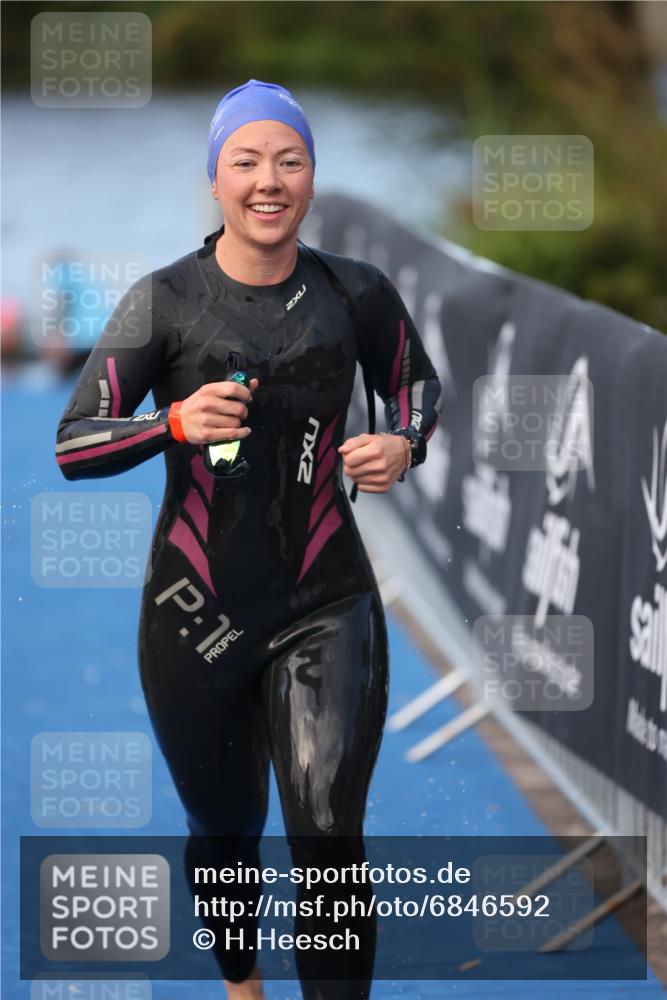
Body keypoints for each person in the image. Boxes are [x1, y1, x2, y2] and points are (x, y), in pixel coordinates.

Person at [55, 79, 442, 1000]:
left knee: (326, 836)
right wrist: (173, 424)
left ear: (311, 178)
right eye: (247, 162)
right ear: (216, 179)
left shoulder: (356, 292)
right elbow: (75, 444)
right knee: (225, 836)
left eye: (290, 161)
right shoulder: (163, 302)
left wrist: (404, 444)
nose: (269, 181)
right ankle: (241, 981)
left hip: (325, 602)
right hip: (194, 614)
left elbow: (416, 390)